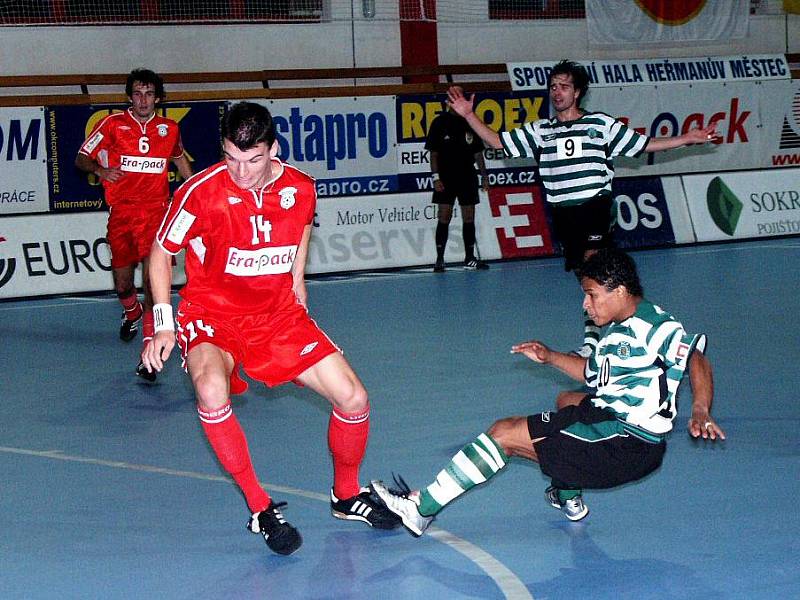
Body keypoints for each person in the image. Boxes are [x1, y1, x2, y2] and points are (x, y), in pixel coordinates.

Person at [140, 101, 400, 557]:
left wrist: (298, 278)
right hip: (212, 315)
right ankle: (260, 509)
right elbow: (161, 252)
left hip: (276, 315)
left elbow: (300, 228)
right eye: (231, 159)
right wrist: (163, 323)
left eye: (253, 160)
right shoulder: (200, 192)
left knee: (354, 399)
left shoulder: (300, 187)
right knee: (211, 391)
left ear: (273, 149)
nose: (241, 172)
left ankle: (346, 496)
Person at [371, 248, 725, 537]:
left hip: (624, 442)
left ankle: (421, 509)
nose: (586, 305)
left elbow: (695, 357)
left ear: (618, 291)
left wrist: (700, 409)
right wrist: (549, 356)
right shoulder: (619, 329)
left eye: (591, 295)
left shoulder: (654, 325)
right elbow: (590, 375)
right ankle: (569, 497)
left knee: (504, 434)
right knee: (566, 402)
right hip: (616, 426)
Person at [446, 60, 719, 355]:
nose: (557, 92)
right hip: (564, 215)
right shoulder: (541, 130)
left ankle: (600, 344)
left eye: (564, 86)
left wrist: (688, 138)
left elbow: (644, 143)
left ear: (577, 93)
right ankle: (620, 335)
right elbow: (499, 142)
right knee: (591, 281)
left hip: (594, 207)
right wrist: (469, 115)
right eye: (553, 87)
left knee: (595, 269)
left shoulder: (599, 124)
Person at [76, 68, 193, 381]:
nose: (144, 100)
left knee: (155, 290)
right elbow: (81, 158)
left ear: (158, 97)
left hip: (157, 215)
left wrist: (198, 191)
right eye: (138, 94)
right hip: (123, 215)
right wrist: (101, 171)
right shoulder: (113, 124)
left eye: (150, 93)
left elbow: (182, 163)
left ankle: (148, 357)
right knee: (124, 284)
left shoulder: (169, 129)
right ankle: (131, 313)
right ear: (130, 97)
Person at [426, 85, 490, 272]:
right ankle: (440, 259)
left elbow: (478, 153)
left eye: (460, 95)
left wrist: (484, 177)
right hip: (446, 177)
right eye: (454, 95)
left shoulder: (470, 121)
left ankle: (469, 257)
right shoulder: (439, 122)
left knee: (469, 216)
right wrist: (436, 178)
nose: (457, 98)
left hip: (467, 176)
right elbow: (434, 154)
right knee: (444, 216)